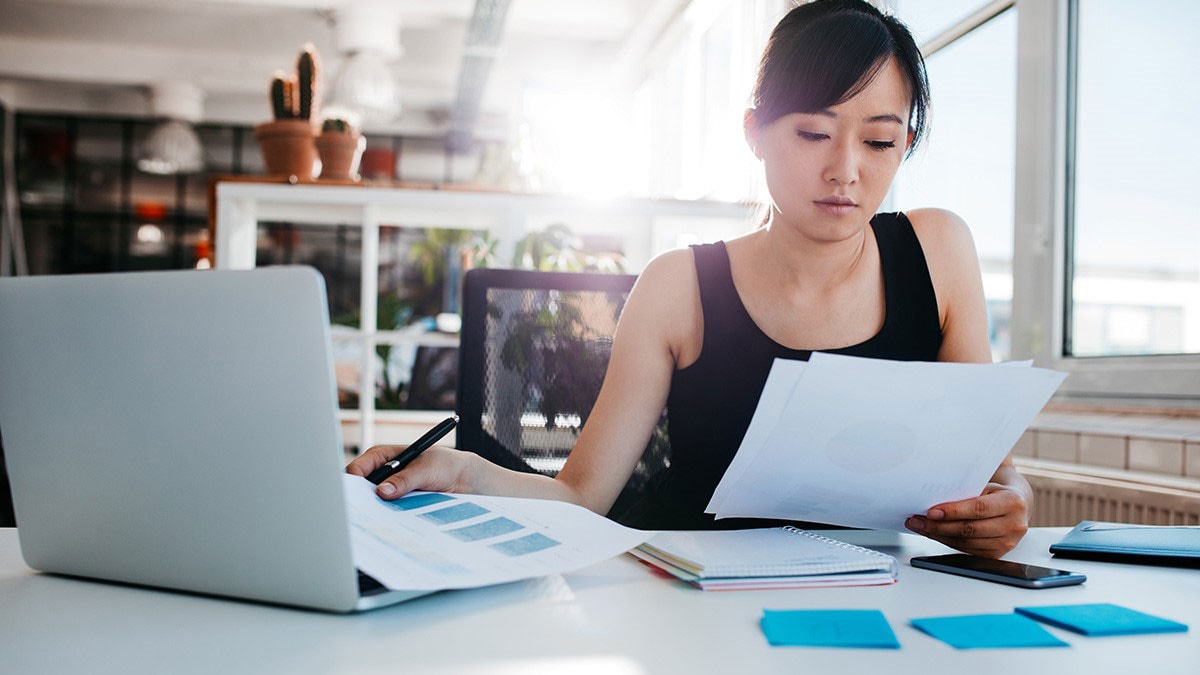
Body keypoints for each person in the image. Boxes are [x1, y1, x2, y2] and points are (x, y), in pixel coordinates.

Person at [348, 0, 1031, 559]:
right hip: (700, 599)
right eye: (813, 134)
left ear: (904, 143)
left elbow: (983, 468)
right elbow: (584, 494)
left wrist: (1012, 501)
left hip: (888, 601)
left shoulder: (937, 250)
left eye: (880, 141)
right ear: (755, 132)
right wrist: (465, 471)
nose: (847, 170)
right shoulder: (679, 285)